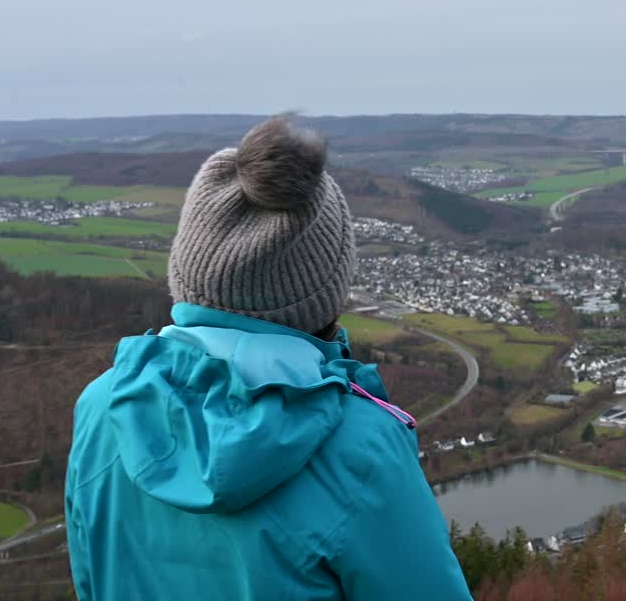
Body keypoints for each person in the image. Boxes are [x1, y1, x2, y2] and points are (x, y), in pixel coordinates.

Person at [66, 116, 471, 600]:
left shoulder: (104, 405)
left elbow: (92, 579)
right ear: (325, 287)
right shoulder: (360, 446)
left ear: (189, 266)